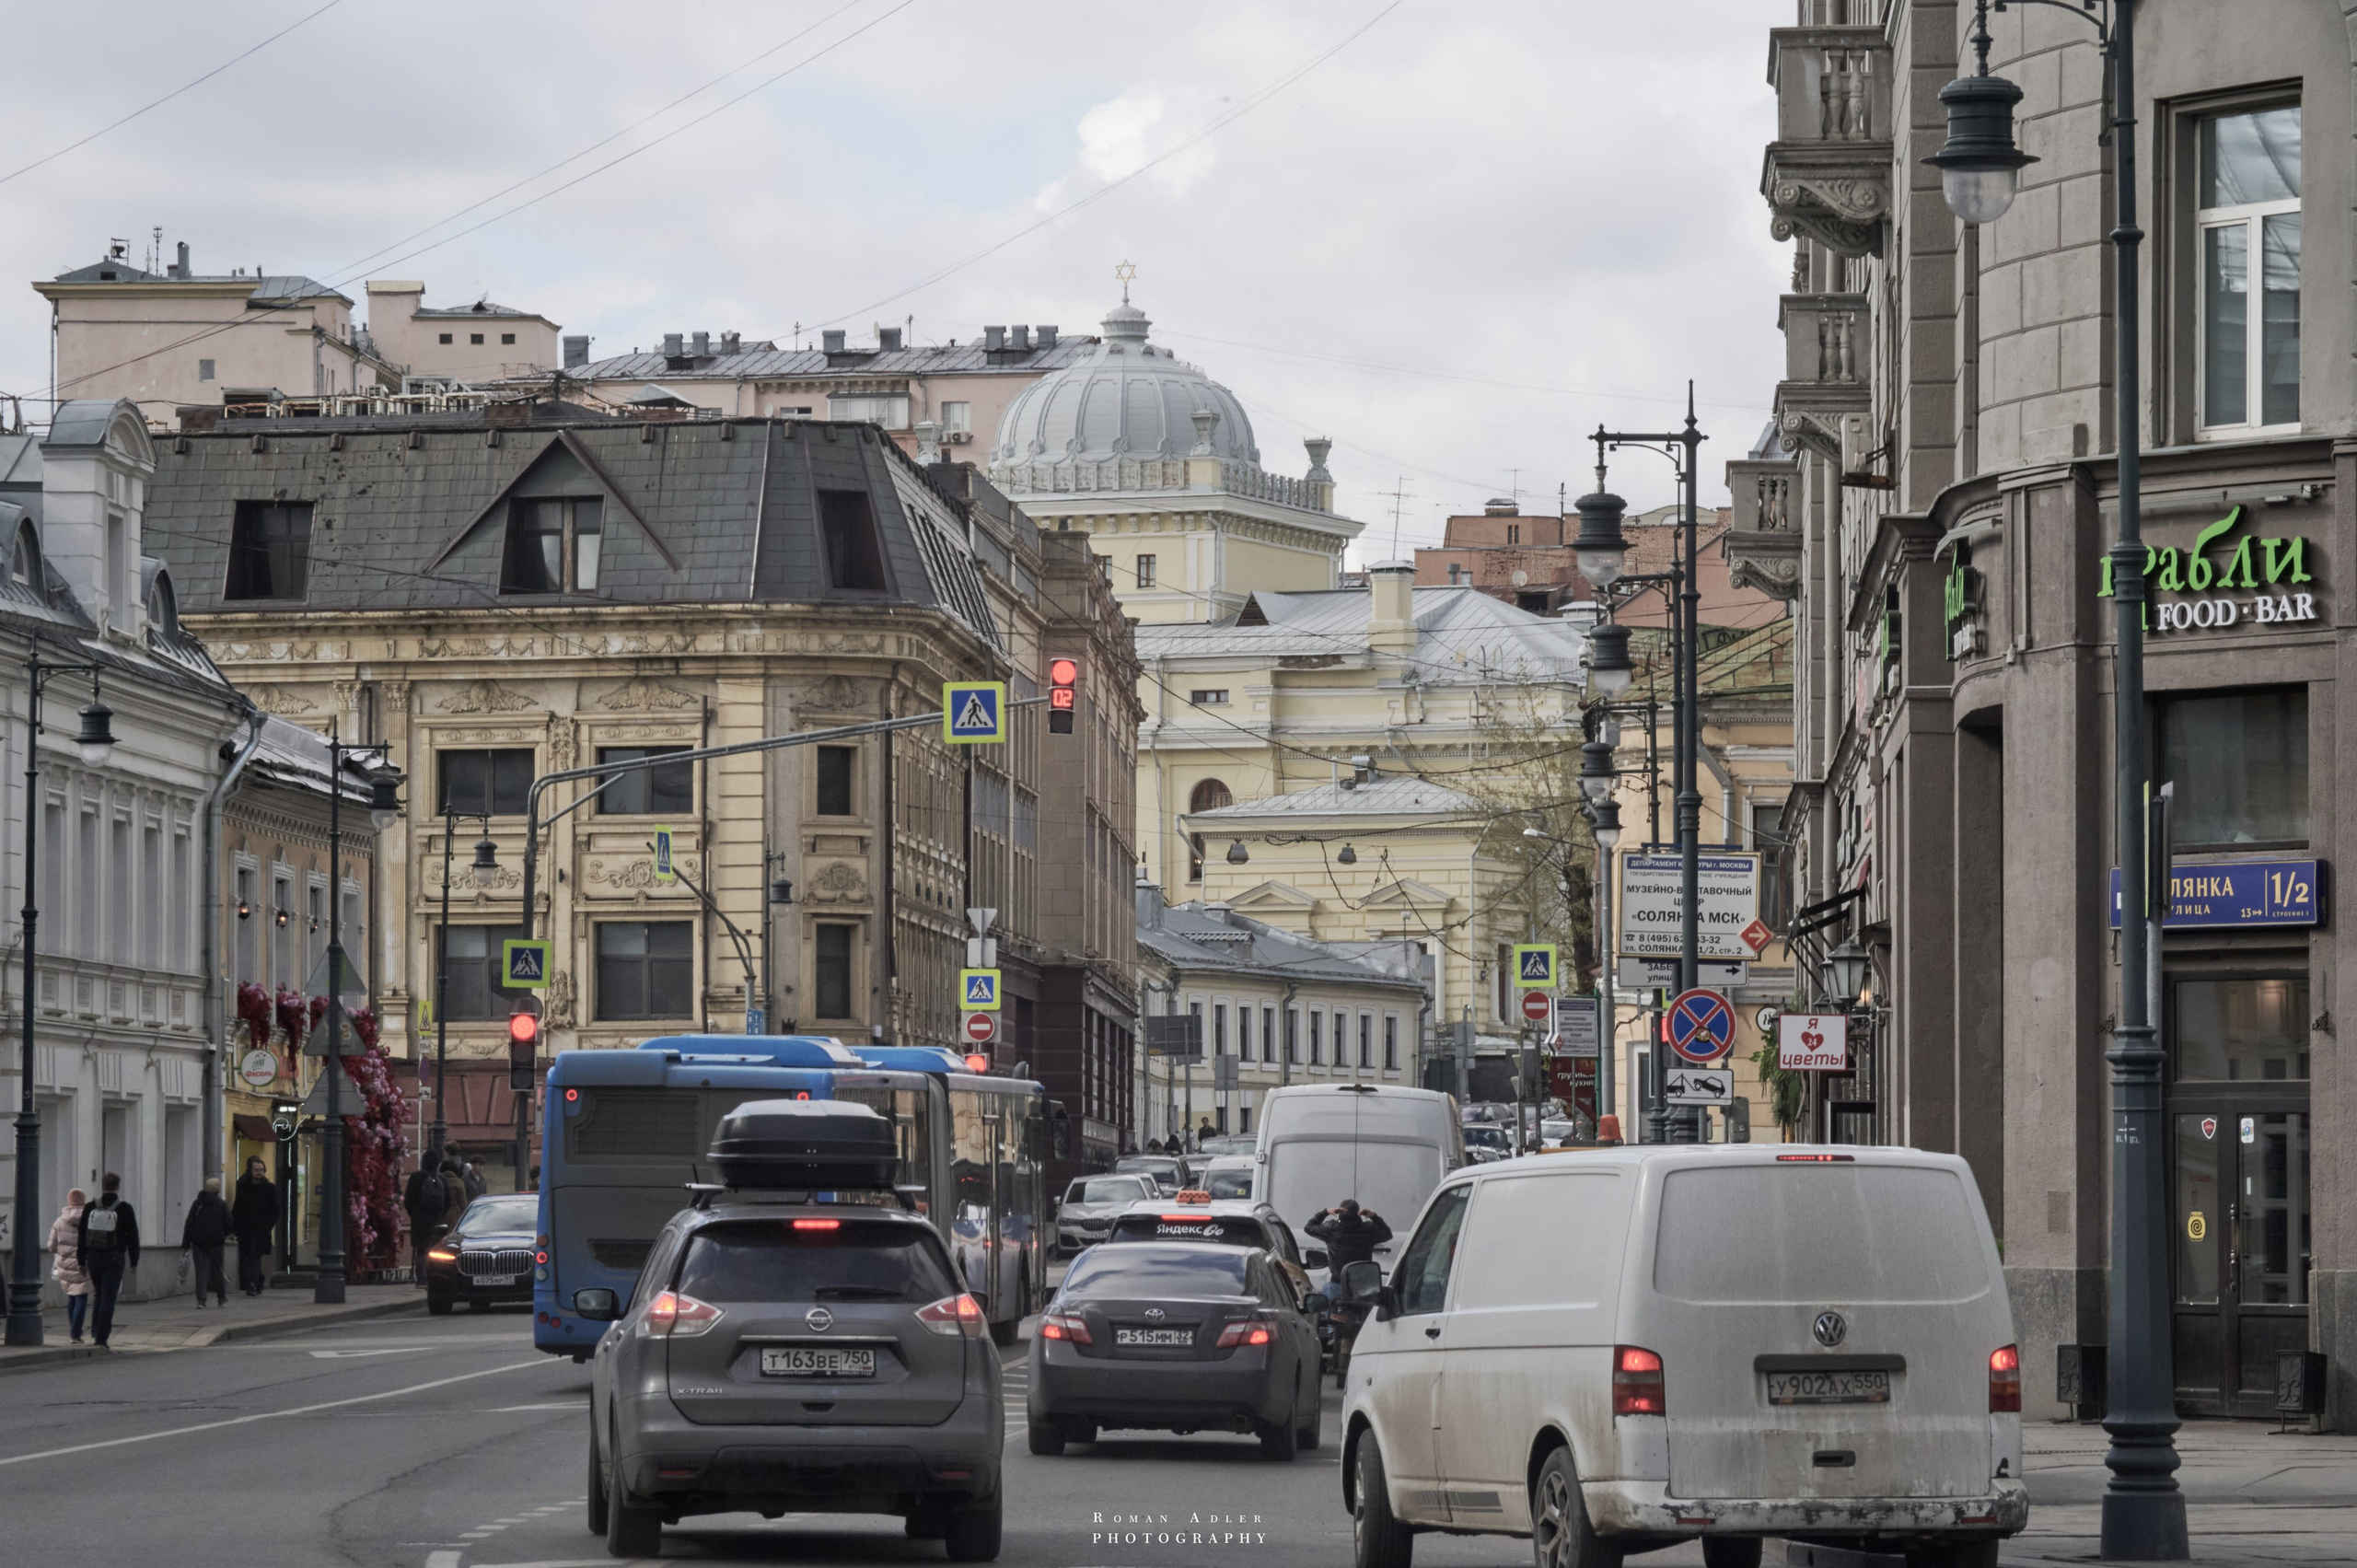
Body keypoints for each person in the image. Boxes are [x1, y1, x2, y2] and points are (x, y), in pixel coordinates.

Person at [75, 1172, 140, 1348]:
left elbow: (82, 1236)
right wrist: (134, 1260)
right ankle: (102, 1337)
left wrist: (81, 1260)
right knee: (108, 1297)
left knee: (98, 1294)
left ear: (102, 1186)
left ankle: (96, 1330)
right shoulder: (125, 1208)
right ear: (118, 1187)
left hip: (93, 1256)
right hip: (114, 1256)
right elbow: (133, 1236)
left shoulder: (90, 1207)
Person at [180, 1177, 231, 1307]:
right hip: (216, 1242)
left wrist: (186, 1242)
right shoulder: (221, 1204)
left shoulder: (197, 1204)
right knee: (218, 1270)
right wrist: (223, 1235)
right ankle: (222, 1298)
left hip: (199, 1242)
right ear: (218, 1190)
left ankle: (201, 1300)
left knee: (201, 1271)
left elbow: (189, 1223)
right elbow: (229, 1224)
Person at [1305, 1198, 1393, 1272]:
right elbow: (1388, 1234)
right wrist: (1374, 1217)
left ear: (1340, 1212)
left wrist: (1326, 1212)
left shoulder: (1332, 1228)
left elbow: (1309, 1227)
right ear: (1358, 1213)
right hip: (1363, 1282)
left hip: (1338, 1281)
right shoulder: (1369, 1229)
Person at [48, 1189, 89, 1342]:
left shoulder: (59, 1222)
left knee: (71, 1296)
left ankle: (74, 1330)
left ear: (69, 1201)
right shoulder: (89, 1219)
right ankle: (75, 1333)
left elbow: (51, 1246)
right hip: (83, 1263)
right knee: (81, 1296)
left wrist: (62, 1252)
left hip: (65, 1264)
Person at [403, 1154, 450, 1286]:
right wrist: (440, 1215)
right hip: (437, 1221)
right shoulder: (442, 1179)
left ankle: (422, 1280)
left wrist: (413, 1213)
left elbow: (408, 1200)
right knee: (436, 1250)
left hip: (420, 1219)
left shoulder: (416, 1177)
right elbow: (448, 1201)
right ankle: (436, 1279)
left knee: (421, 1250)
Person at [232, 1156, 276, 1296]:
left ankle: (252, 1283)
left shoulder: (270, 1188)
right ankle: (259, 1279)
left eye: (261, 1170)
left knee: (255, 1255)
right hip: (245, 1228)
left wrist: (268, 1225)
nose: (259, 1172)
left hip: (261, 1229)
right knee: (247, 1256)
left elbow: (276, 1210)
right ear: (250, 1171)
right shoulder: (243, 1186)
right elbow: (237, 1207)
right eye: (256, 1170)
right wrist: (234, 1227)